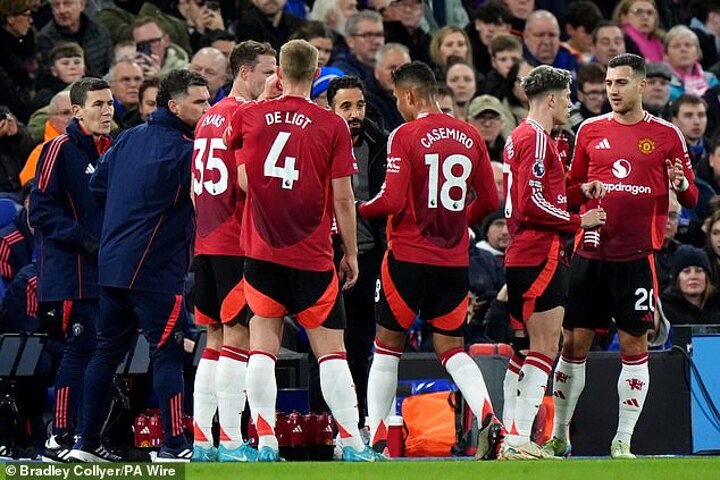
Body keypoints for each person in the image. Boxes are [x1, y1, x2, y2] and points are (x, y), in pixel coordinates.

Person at [225, 39, 379, 462]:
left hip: (261, 252)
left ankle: (266, 441)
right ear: (316, 74)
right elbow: (345, 198)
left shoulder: (249, 115)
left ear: (279, 72)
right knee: (331, 351)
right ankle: (350, 441)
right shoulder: (331, 125)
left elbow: (241, 180)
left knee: (262, 347)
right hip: (312, 254)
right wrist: (351, 253)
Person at [547, 53, 699, 460]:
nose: (612, 90)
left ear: (642, 86)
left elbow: (692, 195)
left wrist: (681, 183)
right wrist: (587, 192)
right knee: (572, 343)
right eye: (609, 83)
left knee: (634, 346)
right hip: (591, 252)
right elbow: (570, 188)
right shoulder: (589, 131)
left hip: (635, 257)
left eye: (621, 83)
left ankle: (623, 441)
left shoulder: (666, 135)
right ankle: (560, 433)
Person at [358, 61, 503, 460]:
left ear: (408, 95)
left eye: (396, 99)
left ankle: (376, 441)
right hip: (454, 260)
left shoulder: (405, 134)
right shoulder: (471, 135)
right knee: (452, 348)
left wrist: (357, 207)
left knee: (387, 348)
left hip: (408, 255)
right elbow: (490, 202)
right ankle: (487, 413)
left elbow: (389, 201)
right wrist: (460, 221)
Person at [67, 70, 210, 463]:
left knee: (105, 354)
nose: (208, 108)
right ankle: (174, 445)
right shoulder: (189, 151)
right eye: (200, 102)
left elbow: (98, 187)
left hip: (112, 266)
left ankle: (85, 444)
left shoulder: (128, 138)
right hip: (155, 272)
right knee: (166, 354)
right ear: (175, 106)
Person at [501, 65, 606, 460]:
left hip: (523, 252)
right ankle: (518, 438)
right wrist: (582, 219)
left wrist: (579, 192)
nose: (569, 104)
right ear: (550, 99)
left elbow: (547, 194)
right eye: (566, 98)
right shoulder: (539, 141)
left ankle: (510, 436)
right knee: (546, 347)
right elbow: (532, 205)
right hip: (540, 252)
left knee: (524, 349)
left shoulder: (519, 137)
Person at [191, 40, 277, 464]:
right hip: (234, 243)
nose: (274, 79)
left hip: (205, 241)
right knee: (238, 337)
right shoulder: (247, 115)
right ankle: (229, 440)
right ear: (244, 73)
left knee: (213, 339)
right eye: (266, 71)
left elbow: (194, 188)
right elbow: (246, 181)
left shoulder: (208, 116)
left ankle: (203, 440)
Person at [29, 77, 113, 462]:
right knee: (79, 351)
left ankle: (88, 438)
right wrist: (84, 239)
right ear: (76, 111)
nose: (107, 111)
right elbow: (40, 210)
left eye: (110, 104)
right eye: (98, 104)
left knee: (101, 354)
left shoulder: (114, 147)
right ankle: (59, 436)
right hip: (71, 273)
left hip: (107, 272)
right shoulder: (58, 150)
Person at [327, 74, 387, 435]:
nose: (355, 113)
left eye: (360, 105)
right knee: (329, 343)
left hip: (368, 257)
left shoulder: (381, 144)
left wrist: (362, 209)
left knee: (363, 342)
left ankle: (362, 421)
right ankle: (324, 421)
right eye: (346, 106)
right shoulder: (317, 142)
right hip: (326, 255)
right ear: (330, 109)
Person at [660, 245, 720, 325]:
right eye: (686, 271)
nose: (693, 277)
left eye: (699, 271)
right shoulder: (664, 311)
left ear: (707, 277)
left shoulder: (717, 307)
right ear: (677, 278)